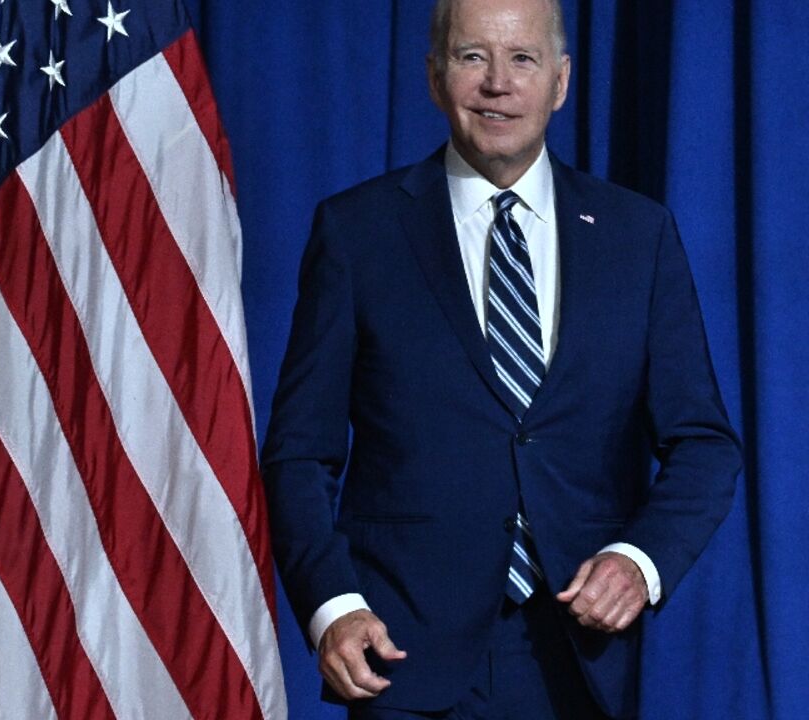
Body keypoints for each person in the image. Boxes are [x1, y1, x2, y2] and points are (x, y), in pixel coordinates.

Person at [260, 0, 742, 717]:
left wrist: (640, 564)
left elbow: (703, 443)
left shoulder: (637, 236)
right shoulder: (359, 233)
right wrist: (334, 605)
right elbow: (299, 453)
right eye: (471, 57)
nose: (498, 84)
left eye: (523, 58)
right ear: (434, 76)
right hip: (401, 653)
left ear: (561, 81)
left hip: (581, 659)